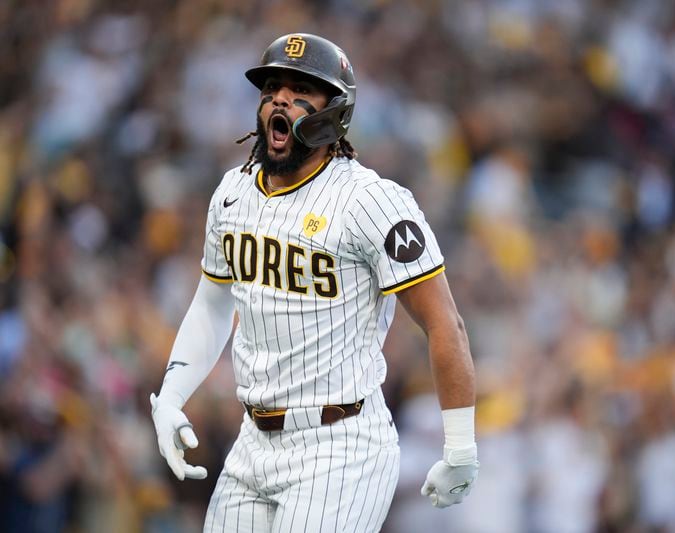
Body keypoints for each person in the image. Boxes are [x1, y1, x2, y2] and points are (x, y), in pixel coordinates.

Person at [149, 33, 479, 533]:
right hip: (252, 440)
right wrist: (172, 395)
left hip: (340, 445)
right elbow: (213, 304)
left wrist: (460, 445)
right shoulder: (233, 191)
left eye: (302, 89)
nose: (281, 98)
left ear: (335, 112)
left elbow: (443, 322)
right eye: (272, 87)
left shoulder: (371, 201)